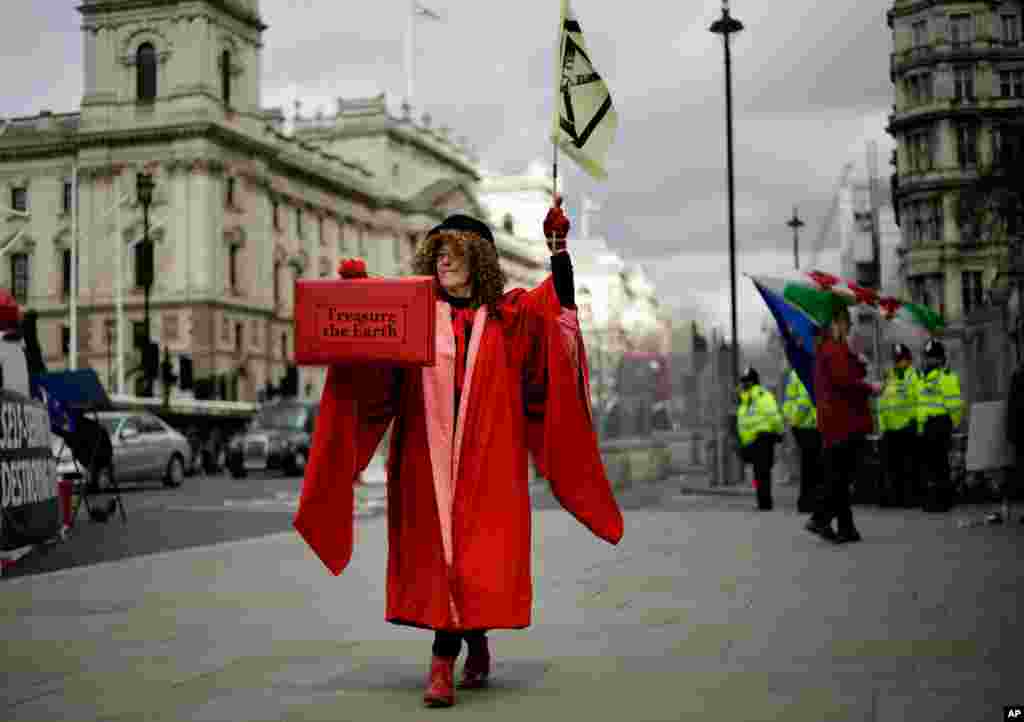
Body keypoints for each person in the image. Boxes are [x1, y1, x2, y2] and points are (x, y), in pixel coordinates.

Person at [294, 203, 624, 709]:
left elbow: (554, 312)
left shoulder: (509, 317)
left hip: (489, 461)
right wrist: (355, 302)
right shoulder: (414, 313)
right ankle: (450, 656)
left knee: (475, 559)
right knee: (440, 558)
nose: (443, 262)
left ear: (479, 258)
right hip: (424, 462)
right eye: (438, 252)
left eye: (454, 253)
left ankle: (459, 651)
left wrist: (558, 253)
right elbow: (374, 377)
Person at [805, 304, 881, 543]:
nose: (849, 328)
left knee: (839, 474)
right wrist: (871, 387)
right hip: (842, 420)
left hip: (835, 420)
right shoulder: (833, 349)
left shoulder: (831, 349)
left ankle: (844, 526)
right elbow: (846, 381)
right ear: (836, 323)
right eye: (846, 322)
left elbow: (848, 373)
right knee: (840, 476)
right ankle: (820, 517)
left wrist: (858, 361)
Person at [916, 339, 963, 513]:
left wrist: (953, 423)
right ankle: (935, 499)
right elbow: (921, 405)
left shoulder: (947, 378)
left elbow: (955, 405)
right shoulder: (922, 379)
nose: (929, 362)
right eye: (927, 358)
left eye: (933, 358)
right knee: (931, 465)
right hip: (928, 426)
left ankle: (943, 501)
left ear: (942, 360)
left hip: (941, 423)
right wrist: (921, 428)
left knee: (940, 464)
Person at [878, 344, 921, 507]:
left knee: (908, 466)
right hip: (890, 430)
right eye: (896, 360)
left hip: (907, 426)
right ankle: (896, 497)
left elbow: (919, 400)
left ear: (909, 360)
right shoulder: (890, 377)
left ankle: (910, 498)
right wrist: (882, 427)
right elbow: (881, 403)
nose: (898, 363)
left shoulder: (914, 376)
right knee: (893, 467)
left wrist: (916, 423)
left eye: (902, 360)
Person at [736, 366, 784, 511]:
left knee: (762, 473)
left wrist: (779, 432)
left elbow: (774, 416)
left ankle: (765, 503)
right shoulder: (747, 398)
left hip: (762, 439)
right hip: (753, 441)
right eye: (742, 381)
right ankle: (763, 502)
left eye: (746, 382)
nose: (743, 384)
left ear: (752, 382)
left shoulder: (762, 395)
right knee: (760, 473)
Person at [783, 366, 821, 513]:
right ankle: (810, 501)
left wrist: (792, 420)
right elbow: (802, 400)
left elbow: (789, 400)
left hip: (805, 424)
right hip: (808, 425)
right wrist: (796, 419)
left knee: (809, 464)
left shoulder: (796, 372)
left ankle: (807, 501)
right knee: (812, 464)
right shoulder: (806, 371)